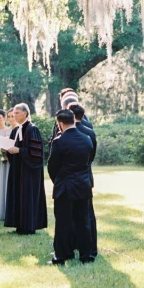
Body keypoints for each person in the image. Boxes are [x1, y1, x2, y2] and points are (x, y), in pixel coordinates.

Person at [47, 108, 94, 265]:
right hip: (83, 185)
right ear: (74, 120)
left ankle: (61, 255)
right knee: (83, 221)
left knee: (63, 222)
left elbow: (52, 166)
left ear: (60, 123)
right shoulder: (87, 139)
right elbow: (88, 161)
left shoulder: (59, 141)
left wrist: (58, 181)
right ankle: (86, 255)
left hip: (65, 186)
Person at [4, 103, 47, 235]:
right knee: (17, 196)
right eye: (14, 113)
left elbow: (36, 153)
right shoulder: (16, 130)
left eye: (17, 113)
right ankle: (19, 225)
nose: (14, 115)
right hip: (17, 170)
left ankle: (29, 227)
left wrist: (19, 150)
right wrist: (6, 149)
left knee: (27, 197)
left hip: (28, 171)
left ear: (25, 114)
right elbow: (12, 148)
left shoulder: (32, 129)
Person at [71, 103, 97, 259]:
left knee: (70, 215)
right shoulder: (90, 132)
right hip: (86, 176)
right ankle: (90, 247)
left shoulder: (64, 133)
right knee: (87, 215)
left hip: (69, 179)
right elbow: (92, 155)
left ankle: (72, 244)